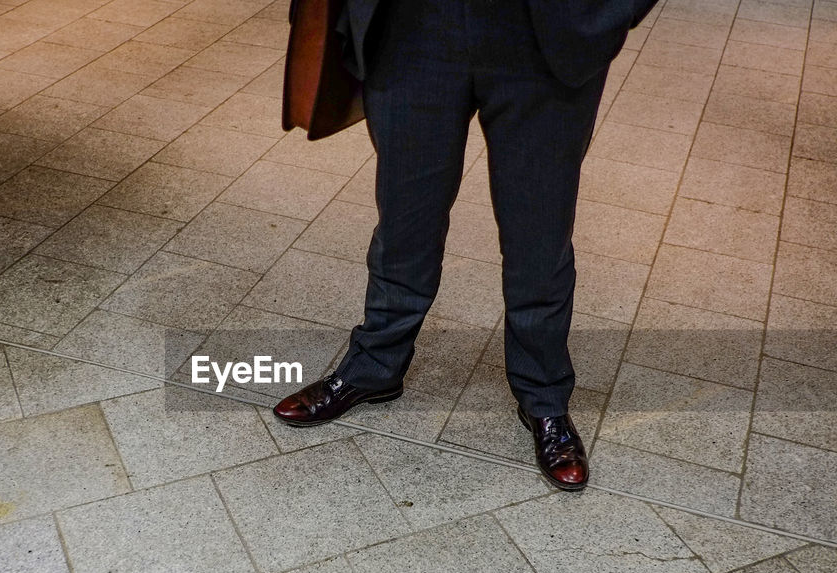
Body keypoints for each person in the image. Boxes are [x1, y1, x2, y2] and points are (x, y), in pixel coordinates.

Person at [273, 0, 656, 490]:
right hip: (411, 29)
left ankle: (544, 396)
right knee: (405, 217)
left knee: (539, 233)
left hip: (545, 37)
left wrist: (608, 15)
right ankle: (375, 365)